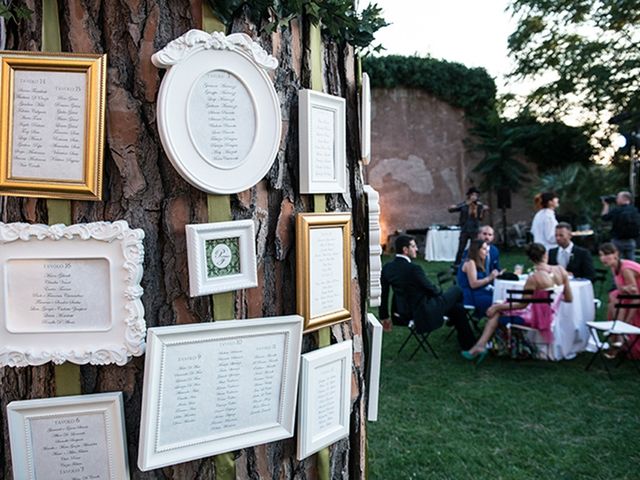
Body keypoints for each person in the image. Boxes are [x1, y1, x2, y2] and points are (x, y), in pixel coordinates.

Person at [461, 243, 573, 363]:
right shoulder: (561, 270)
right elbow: (568, 298)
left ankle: (483, 346)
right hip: (551, 314)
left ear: (530, 259)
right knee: (498, 308)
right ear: (546, 254)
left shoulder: (534, 278)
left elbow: (522, 304)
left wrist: (498, 307)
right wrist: (551, 299)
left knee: (496, 310)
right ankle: (483, 346)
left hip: (537, 317)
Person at [379, 234, 476, 349]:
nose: (416, 249)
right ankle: (467, 326)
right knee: (457, 290)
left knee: (457, 309)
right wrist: (439, 293)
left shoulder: (387, 268)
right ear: (405, 250)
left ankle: (469, 346)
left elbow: (383, 294)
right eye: (413, 246)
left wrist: (384, 316)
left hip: (403, 312)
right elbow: (432, 289)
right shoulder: (414, 269)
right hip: (423, 310)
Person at [597, 242, 640, 359]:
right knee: (613, 298)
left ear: (616, 254)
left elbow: (635, 296)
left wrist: (628, 320)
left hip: (636, 299)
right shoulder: (614, 267)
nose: (603, 258)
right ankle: (618, 335)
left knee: (615, 300)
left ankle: (620, 331)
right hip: (628, 297)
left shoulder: (625, 269)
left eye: (606, 255)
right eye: (601, 255)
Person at [457, 239, 502, 317]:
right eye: (484, 249)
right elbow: (473, 284)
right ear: (476, 250)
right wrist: (490, 278)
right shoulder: (470, 263)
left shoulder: (478, 262)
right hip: (471, 296)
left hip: (479, 292)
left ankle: (480, 317)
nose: (487, 252)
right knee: (499, 304)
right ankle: (497, 325)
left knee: (501, 298)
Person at [449, 187, 489, 267]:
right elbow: (452, 209)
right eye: (472, 195)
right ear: (469, 196)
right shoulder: (465, 204)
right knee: (461, 247)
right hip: (465, 229)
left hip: (474, 229)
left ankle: (475, 263)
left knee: (474, 247)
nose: (474, 197)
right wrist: (458, 206)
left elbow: (481, 217)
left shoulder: (479, 205)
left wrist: (484, 210)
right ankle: (457, 264)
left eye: (476, 195)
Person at [601, 191, 640, 260]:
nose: (616, 199)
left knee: (618, 263)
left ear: (623, 199)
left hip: (618, 240)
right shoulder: (635, 210)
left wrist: (606, 205)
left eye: (618, 197)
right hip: (631, 240)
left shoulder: (617, 210)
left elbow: (604, 217)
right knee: (631, 263)